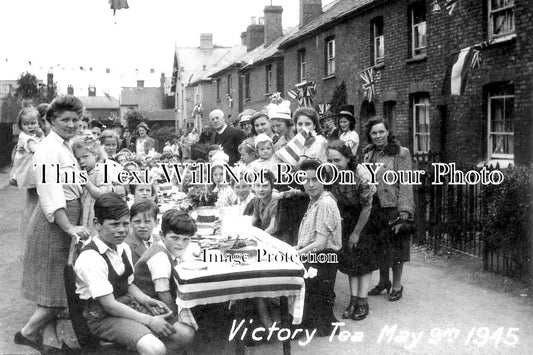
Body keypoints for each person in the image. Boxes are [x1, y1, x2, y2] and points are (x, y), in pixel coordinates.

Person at [75, 193, 194, 354]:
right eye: (114, 224)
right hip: (103, 317)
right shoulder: (91, 257)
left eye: (125, 224)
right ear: (97, 224)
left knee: (185, 333)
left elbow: (128, 284)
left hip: (127, 304)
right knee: (154, 348)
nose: (122, 230)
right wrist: (150, 321)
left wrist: (147, 300)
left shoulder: (122, 247)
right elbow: (110, 306)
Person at [17, 95, 90, 353]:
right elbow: (50, 192)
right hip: (55, 222)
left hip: (64, 218)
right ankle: (27, 333)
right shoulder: (48, 148)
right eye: (65, 119)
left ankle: (48, 341)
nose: (72, 124)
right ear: (51, 120)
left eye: (76, 120)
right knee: (57, 291)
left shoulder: (64, 144)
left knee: (57, 288)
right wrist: (68, 228)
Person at [364, 117, 414, 301]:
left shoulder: (401, 153)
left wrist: (405, 211)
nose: (378, 136)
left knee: (397, 247)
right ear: (369, 135)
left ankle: (397, 285)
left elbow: (406, 183)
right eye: (374, 133)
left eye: (381, 132)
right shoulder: (368, 154)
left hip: (393, 207)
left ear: (387, 132)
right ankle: (383, 281)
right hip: (375, 207)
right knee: (380, 247)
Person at [326, 140, 377, 320]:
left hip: (365, 216)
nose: (333, 164)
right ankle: (353, 300)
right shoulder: (331, 173)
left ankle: (363, 302)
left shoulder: (361, 174)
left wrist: (356, 233)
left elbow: (367, 207)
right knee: (350, 260)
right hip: (347, 215)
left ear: (348, 158)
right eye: (330, 160)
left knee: (363, 260)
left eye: (337, 160)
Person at [295, 159, 342, 336]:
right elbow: (309, 237)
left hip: (324, 257)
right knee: (312, 301)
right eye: (306, 180)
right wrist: (295, 248)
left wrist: (296, 254)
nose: (311, 184)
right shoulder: (314, 200)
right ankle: (310, 323)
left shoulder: (325, 203)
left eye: (315, 179)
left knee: (320, 306)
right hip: (315, 255)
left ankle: (322, 326)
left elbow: (320, 243)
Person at [133, 209, 199, 332]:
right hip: (145, 306)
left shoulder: (167, 249)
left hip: (154, 302)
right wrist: (175, 316)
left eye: (186, 239)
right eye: (175, 238)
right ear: (162, 235)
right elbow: (163, 292)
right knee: (188, 328)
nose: (180, 244)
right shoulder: (160, 257)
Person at [72, 135, 114, 236]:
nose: (81, 161)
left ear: (95, 155)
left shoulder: (100, 172)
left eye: (85, 157)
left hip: (96, 215)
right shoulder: (81, 173)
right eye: (78, 159)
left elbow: (102, 195)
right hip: (83, 215)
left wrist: (87, 182)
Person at [12, 108, 44, 239]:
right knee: (35, 201)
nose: (30, 126)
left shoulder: (30, 137)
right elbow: (39, 150)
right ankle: (31, 228)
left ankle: (32, 226)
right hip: (30, 175)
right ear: (21, 126)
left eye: (33, 123)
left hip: (30, 174)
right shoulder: (27, 139)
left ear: (38, 123)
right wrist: (42, 137)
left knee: (34, 201)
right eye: (26, 124)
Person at [125, 200, 160, 266]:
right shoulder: (125, 244)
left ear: (156, 222)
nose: (142, 226)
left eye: (147, 221)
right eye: (137, 221)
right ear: (130, 222)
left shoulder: (160, 241)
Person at [250, 170, 279, 237]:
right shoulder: (258, 199)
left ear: (272, 186)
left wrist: (258, 237)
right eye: (258, 185)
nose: (261, 190)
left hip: (276, 238)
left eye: (265, 186)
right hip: (265, 236)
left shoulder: (275, 199)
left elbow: (273, 227)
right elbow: (253, 220)